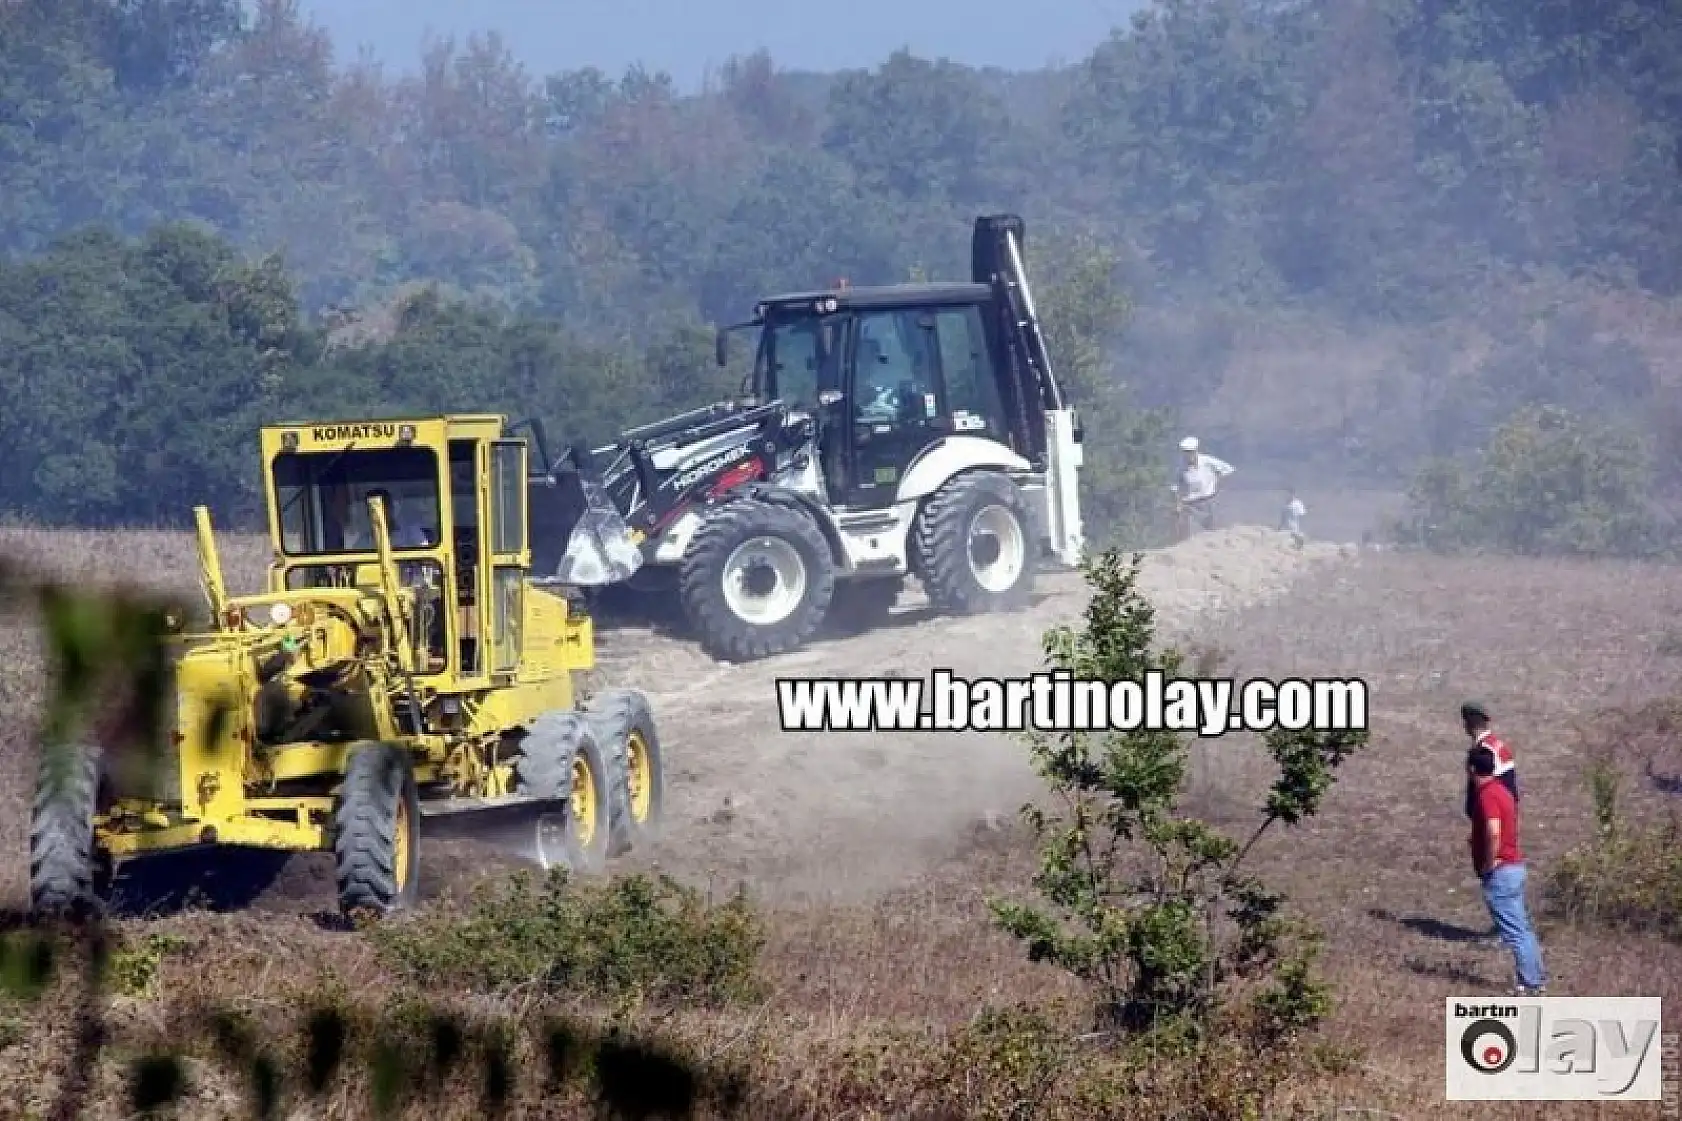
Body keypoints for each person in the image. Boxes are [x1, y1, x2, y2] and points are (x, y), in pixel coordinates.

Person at [1467, 742, 1546, 995]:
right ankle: (1536, 978)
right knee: (1522, 928)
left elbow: (1493, 830)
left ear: (1471, 769)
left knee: (1514, 932)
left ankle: (1530, 985)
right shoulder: (1503, 791)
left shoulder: (1486, 795)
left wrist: (1489, 863)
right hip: (1515, 867)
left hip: (1502, 872)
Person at [1175, 436, 1234, 532]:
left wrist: (1219, 487)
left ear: (1196, 451)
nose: (1189, 455)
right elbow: (1177, 486)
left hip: (1209, 499)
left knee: (1214, 528)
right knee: (1195, 532)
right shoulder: (1181, 467)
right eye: (1186, 452)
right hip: (1191, 503)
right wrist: (1178, 504)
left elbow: (1227, 469)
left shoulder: (1207, 461)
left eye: (1191, 452)